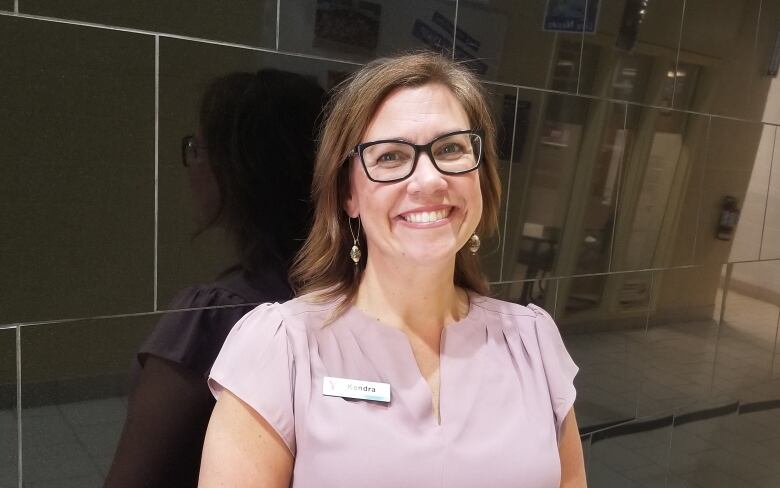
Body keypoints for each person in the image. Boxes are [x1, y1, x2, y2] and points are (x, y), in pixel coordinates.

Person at [200, 52, 586, 487]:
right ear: (348, 194)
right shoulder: (282, 349)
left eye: (451, 148)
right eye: (390, 157)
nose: (429, 180)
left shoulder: (532, 341)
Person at [105, 69, 325, 487]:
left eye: (199, 149)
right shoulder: (349, 295)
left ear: (241, 171)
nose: (193, 165)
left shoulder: (209, 316)